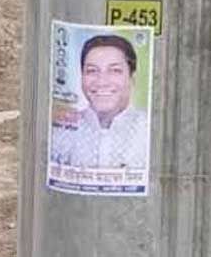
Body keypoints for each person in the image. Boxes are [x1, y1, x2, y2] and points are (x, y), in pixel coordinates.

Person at [49, 34, 149, 170]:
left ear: (132, 79)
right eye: (92, 71)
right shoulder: (63, 132)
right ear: (82, 77)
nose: (102, 81)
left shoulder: (149, 130)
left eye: (114, 70)